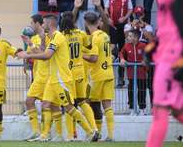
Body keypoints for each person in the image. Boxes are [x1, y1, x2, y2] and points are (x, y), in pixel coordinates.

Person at [18, 14, 99, 142]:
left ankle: (90, 132)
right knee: (45, 104)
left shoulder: (58, 36)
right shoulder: (51, 37)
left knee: (69, 107)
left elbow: (47, 55)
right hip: (53, 78)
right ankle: (44, 135)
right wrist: (35, 43)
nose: (42, 25)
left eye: (43, 23)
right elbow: (43, 51)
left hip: (62, 79)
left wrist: (27, 56)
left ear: (50, 24)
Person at [146, 0, 183, 146]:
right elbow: (168, 21)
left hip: (174, 54)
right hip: (166, 52)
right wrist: (156, 45)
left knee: (160, 111)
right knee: (175, 109)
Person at [59, 11, 98, 141]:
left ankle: (70, 135)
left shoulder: (60, 36)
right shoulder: (81, 33)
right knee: (82, 102)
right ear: (74, 21)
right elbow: (89, 45)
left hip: (67, 73)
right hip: (80, 71)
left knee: (69, 104)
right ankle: (94, 129)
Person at [82, 12, 115, 141]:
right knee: (107, 104)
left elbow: (94, 58)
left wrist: (81, 55)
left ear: (86, 22)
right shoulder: (105, 35)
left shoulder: (94, 37)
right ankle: (110, 135)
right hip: (109, 73)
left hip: (98, 75)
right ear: (97, 21)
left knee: (91, 103)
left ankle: (97, 132)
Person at [23, 14, 50, 141]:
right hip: (38, 75)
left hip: (47, 75)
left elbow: (43, 54)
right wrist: (24, 58)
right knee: (29, 102)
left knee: (47, 105)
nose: (31, 25)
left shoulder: (47, 37)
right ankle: (36, 131)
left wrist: (31, 45)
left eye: (32, 23)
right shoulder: (33, 38)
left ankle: (45, 133)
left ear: (37, 24)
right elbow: (30, 54)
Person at [105, 0, 133, 88]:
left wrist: (124, 18)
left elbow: (130, 10)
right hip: (113, 26)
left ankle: (121, 79)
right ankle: (109, 77)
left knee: (122, 51)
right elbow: (106, 9)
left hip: (122, 27)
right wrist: (108, 19)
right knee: (111, 50)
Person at [120, 29, 147, 116]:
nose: (128, 37)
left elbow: (149, 54)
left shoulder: (143, 45)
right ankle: (132, 108)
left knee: (142, 91)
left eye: (130, 36)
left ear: (136, 37)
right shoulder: (126, 46)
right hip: (131, 74)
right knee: (131, 91)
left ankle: (142, 109)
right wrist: (122, 59)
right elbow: (121, 53)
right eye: (128, 36)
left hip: (142, 73)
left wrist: (145, 60)